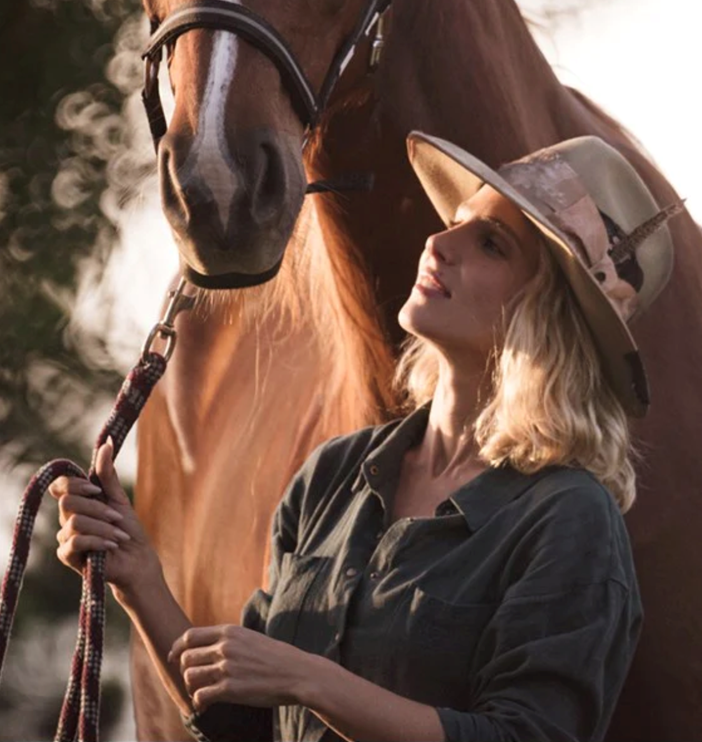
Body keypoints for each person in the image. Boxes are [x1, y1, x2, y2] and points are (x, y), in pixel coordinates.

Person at [50, 132, 683, 742]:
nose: (438, 242)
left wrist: (312, 681)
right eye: (456, 221)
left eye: (491, 243)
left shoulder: (570, 519)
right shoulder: (333, 474)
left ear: (549, 316)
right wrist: (139, 580)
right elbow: (248, 723)